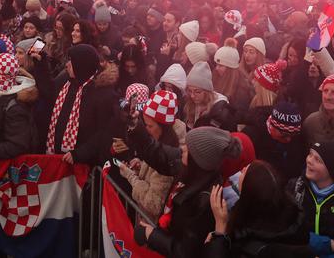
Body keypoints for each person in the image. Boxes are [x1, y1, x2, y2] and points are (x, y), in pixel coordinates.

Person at [136, 126, 243, 258]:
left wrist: (151, 235)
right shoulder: (191, 168)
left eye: (188, 148)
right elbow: (162, 154)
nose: (182, 149)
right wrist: (136, 128)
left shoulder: (206, 201)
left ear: (199, 160)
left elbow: (187, 252)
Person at [204, 160, 307, 257]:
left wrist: (219, 234)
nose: (243, 169)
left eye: (245, 172)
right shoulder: (295, 218)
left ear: (250, 192)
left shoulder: (252, 246)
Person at [45, 43, 120, 166]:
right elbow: (48, 92)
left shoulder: (105, 94)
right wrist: (40, 64)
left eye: (71, 61)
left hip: (84, 163)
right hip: (60, 156)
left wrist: (80, 153)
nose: (67, 65)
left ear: (82, 65)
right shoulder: (68, 82)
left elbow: (105, 132)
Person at [288, 141, 334, 258]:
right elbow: (281, 225)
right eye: (310, 154)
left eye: (318, 160)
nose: (309, 160)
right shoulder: (295, 188)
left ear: (331, 170)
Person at [116, 89, 180, 217]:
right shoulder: (157, 145)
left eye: (150, 126)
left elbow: (153, 204)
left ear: (164, 128)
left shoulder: (168, 159)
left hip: (151, 227)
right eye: (144, 124)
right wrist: (141, 168)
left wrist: (130, 176)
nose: (146, 130)